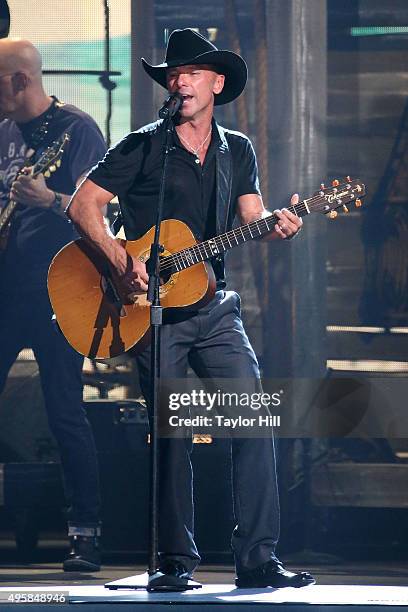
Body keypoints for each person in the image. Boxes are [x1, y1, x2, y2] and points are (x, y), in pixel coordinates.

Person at [67, 28, 315, 589]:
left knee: (250, 420)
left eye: (190, 72)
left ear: (216, 83)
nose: (179, 81)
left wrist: (282, 224)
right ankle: (175, 561)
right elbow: (84, 205)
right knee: (173, 435)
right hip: (154, 313)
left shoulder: (238, 150)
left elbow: (253, 218)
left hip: (216, 310)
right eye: (172, 73)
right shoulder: (142, 145)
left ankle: (257, 558)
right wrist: (118, 260)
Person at [0, 38, 106, 571]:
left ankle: (84, 534)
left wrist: (52, 199)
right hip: (5, 293)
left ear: (20, 80)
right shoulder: (2, 135)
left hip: (59, 295)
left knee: (66, 412)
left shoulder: (77, 131)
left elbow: (105, 215)